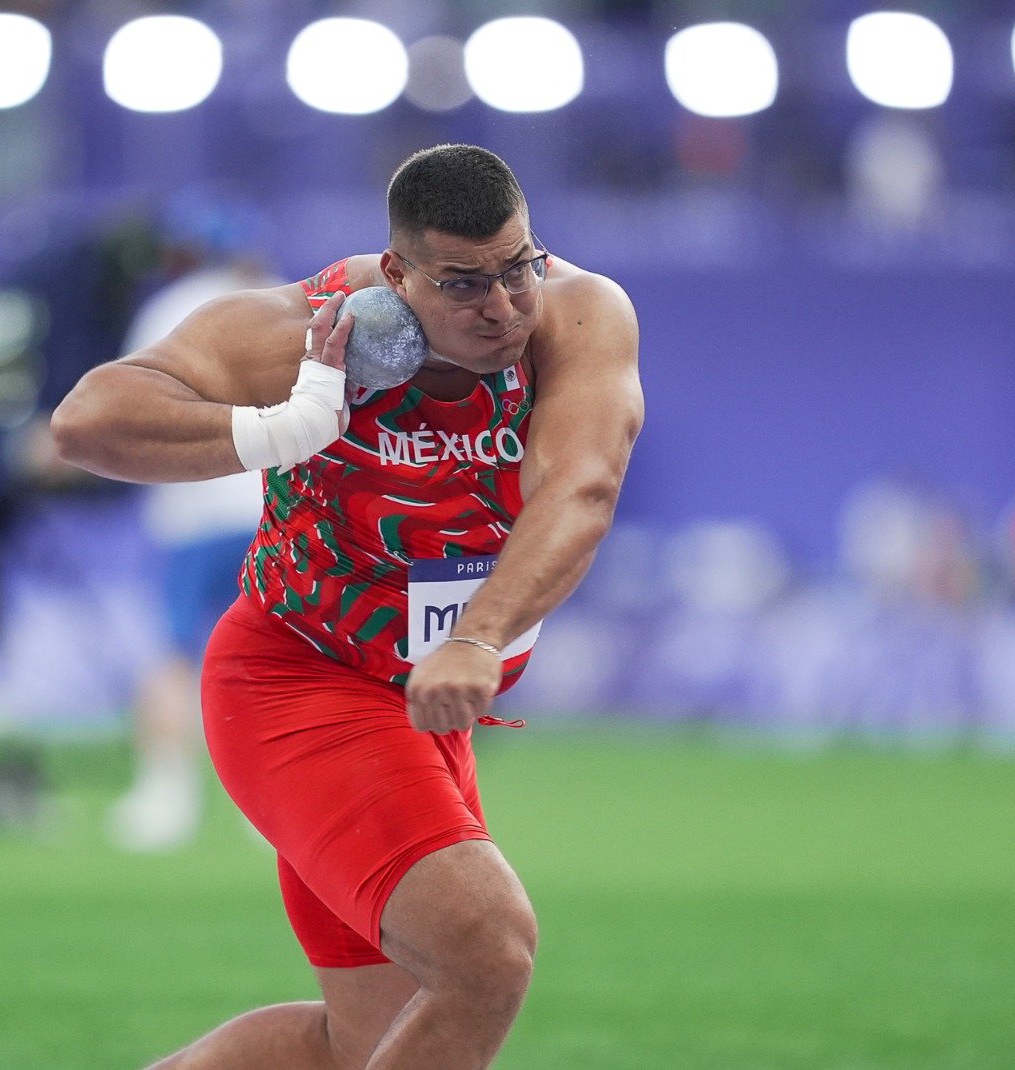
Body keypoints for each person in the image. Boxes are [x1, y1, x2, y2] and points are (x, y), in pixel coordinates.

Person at [51, 144, 643, 1069]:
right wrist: (283, 427)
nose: (504, 306)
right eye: (464, 284)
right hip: (298, 683)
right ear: (398, 276)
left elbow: (583, 489)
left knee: (359, 1045)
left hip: (430, 698)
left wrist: (480, 636)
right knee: (487, 949)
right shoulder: (305, 330)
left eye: (517, 267)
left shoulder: (579, 315)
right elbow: (87, 422)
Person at [108, 198, 273, 852]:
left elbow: (124, 410)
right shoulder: (282, 303)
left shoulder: (166, 310)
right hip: (272, 507)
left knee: (175, 653)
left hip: (193, 509)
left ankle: (164, 796)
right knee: (273, 655)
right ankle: (271, 802)